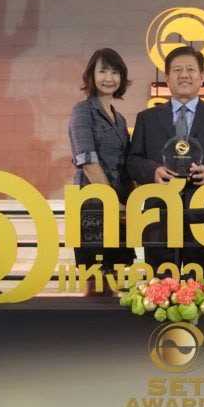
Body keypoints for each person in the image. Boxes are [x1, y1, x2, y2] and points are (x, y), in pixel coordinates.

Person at [127, 45, 204, 277]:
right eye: (177, 70)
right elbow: (133, 160)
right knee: (160, 287)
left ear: (201, 77)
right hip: (159, 215)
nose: (184, 75)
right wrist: (153, 171)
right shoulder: (147, 118)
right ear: (167, 78)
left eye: (190, 69)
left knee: (199, 288)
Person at [68, 48, 136, 294]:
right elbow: (87, 160)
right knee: (96, 283)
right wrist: (112, 202)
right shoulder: (82, 111)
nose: (109, 78)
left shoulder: (120, 119)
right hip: (93, 204)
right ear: (92, 75)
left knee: (118, 279)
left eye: (115, 72)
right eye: (103, 71)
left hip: (121, 205)